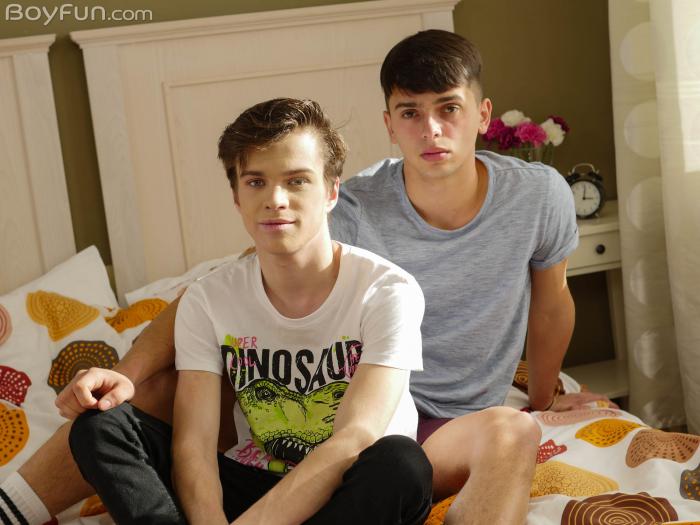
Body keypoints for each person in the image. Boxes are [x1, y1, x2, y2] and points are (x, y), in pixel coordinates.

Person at [0, 30, 611, 525]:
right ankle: (15, 504)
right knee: (144, 392)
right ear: (389, 124)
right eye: (411, 113)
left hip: (435, 424)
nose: (431, 130)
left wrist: (544, 395)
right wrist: (125, 372)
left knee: (512, 431)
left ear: (481, 113)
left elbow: (551, 299)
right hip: (325, 399)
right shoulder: (346, 202)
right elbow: (218, 290)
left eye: (448, 109)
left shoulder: (539, 195)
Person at [68, 98, 433, 524]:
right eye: (256, 182)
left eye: (297, 181)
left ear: (331, 191)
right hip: (257, 482)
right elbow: (194, 445)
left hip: (350, 490)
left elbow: (355, 438)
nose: (275, 199)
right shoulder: (207, 299)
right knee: (100, 426)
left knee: (402, 463)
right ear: (237, 197)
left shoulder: (387, 291)